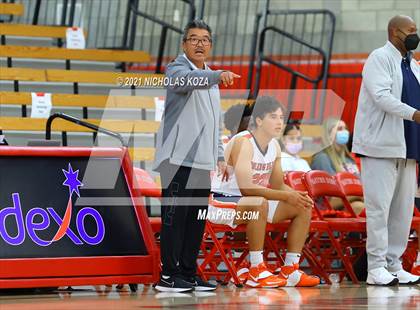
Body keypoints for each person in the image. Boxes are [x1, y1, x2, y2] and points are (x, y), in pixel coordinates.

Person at [153, 19, 241, 293]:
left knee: (195, 221)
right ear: (184, 44)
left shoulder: (212, 78)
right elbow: (186, 81)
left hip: (201, 163)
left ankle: (188, 274)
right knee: (174, 219)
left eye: (205, 39)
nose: (199, 43)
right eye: (194, 39)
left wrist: (219, 156)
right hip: (176, 160)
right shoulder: (177, 68)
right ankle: (168, 276)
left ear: (211, 45)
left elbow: (212, 122)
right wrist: (217, 75)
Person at [210, 96, 320, 287]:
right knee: (258, 202)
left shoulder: (275, 146)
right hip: (219, 201)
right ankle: (256, 269)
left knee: (302, 206)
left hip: (250, 203)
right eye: (273, 117)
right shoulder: (242, 142)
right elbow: (247, 188)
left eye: (281, 117)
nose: (279, 122)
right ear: (259, 121)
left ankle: (290, 269)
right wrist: (286, 195)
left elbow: (278, 185)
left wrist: (297, 195)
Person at [352, 15, 420, 286]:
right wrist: (414, 114)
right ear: (394, 32)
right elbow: (381, 96)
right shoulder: (379, 58)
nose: (414, 35)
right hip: (380, 146)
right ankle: (376, 267)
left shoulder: (412, 64)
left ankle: (394, 264)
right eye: (410, 30)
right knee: (379, 209)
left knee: (402, 211)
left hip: (408, 147)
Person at [311, 118, 365, 215]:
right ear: (329, 134)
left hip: (354, 200)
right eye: (340, 129)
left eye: (345, 129)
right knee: (363, 206)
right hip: (330, 205)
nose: (344, 132)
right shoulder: (322, 158)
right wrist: (362, 194)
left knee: (364, 206)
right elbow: (331, 192)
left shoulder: (349, 159)